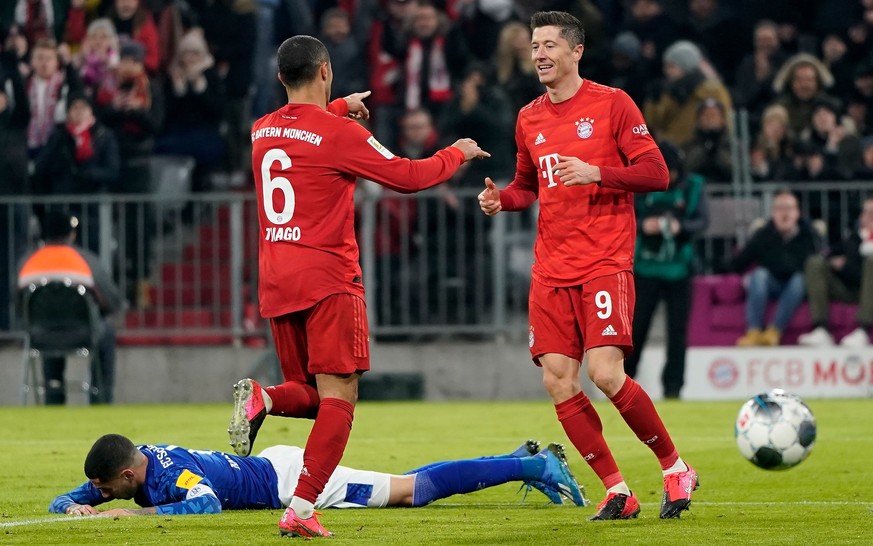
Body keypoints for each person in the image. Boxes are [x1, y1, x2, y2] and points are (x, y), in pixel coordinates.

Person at [233, 34, 488, 538]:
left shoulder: (262, 130)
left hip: (277, 280)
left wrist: (340, 107)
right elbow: (410, 176)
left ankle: (264, 398)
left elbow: (304, 126)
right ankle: (302, 509)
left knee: (309, 392)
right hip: (328, 278)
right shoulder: (338, 136)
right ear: (325, 70)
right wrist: (455, 153)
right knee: (340, 397)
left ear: (282, 78)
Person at [476, 11, 698, 521]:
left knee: (605, 373)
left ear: (577, 51)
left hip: (603, 259)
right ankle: (618, 491)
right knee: (558, 380)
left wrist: (598, 172)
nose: (540, 54)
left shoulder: (612, 103)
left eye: (550, 44)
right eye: (535, 45)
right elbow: (528, 186)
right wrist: (500, 201)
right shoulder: (529, 117)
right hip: (550, 268)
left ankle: (674, 467)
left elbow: (657, 172)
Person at [49, 434, 585, 516]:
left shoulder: (172, 475)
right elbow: (64, 501)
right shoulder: (134, 466)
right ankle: (515, 458)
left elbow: (205, 502)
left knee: (410, 493)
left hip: (295, 481)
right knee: (403, 482)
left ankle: (534, 463)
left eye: (103, 488)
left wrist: (130, 515)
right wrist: (74, 506)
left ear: (124, 475)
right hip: (277, 465)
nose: (98, 496)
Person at [623, 142, 709, 399]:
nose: (665, 178)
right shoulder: (640, 183)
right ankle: (623, 385)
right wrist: (642, 224)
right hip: (645, 271)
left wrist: (679, 227)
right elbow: (624, 213)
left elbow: (702, 221)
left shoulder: (693, 186)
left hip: (680, 272)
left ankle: (673, 389)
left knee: (677, 333)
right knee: (635, 331)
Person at [17, 210, 123, 405]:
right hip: (82, 333)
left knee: (49, 329)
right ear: (71, 234)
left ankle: (53, 397)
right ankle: (102, 398)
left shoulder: (27, 264)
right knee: (106, 331)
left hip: (40, 335)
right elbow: (113, 301)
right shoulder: (86, 261)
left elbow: (19, 306)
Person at [730, 190, 821, 347]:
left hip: (796, 287)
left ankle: (774, 331)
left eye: (789, 208)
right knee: (758, 275)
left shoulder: (808, 235)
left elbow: (813, 263)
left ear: (797, 213)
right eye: (780, 208)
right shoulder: (763, 234)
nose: (784, 214)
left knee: (799, 279)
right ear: (773, 213)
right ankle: (754, 331)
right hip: (770, 283)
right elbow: (741, 261)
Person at [798, 195, 873, 348]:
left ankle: (864, 330)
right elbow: (830, 254)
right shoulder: (852, 238)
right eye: (866, 212)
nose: (870, 216)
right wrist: (837, 264)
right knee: (815, 263)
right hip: (847, 288)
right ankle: (821, 329)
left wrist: (845, 267)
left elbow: (856, 271)